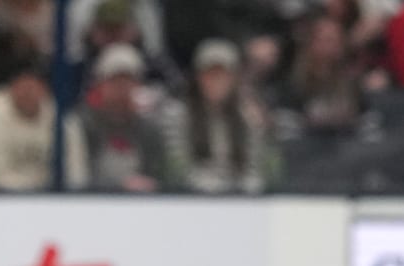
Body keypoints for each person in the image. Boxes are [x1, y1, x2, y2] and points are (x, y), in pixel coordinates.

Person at [162, 38, 270, 194]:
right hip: (193, 197)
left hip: (240, 196)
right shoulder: (179, 115)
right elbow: (178, 166)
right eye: (210, 74)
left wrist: (246, 186)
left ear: (234, 79)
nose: (216, 81)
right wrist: (211, 187)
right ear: (198, 77)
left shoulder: (248, 116)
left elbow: (255, 166)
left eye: (223, 75)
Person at [0, 57, 86, 190]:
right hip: (4, 202)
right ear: (10, 88)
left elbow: (75, 170)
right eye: (23, 86)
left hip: (55, 201)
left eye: (34, 86)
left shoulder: (63, 120)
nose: (28, 93)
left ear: (44, 89)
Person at [78, 41, 169, 191]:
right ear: (100, 84)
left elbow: (162, 176)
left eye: (127, 81)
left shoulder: (150, 130)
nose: (121, 89)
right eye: (114, 81)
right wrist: (118, 186)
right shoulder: (85, 124)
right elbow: (79, 177)